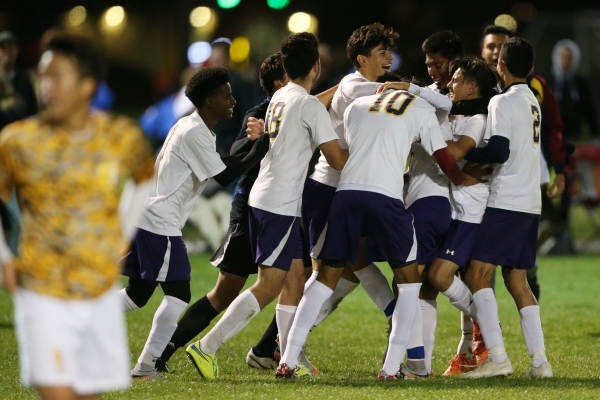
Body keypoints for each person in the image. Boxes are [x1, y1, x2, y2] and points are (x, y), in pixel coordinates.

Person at [277, 75, 479, 379]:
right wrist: (465, 181)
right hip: (385, 198)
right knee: (409, 282)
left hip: (345, 196)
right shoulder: (423, 110)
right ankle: (391, 368)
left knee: (324, 278)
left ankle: (288, 359)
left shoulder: (356, 105)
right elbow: (446, 161)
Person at [0, 32, 156, 400]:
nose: (45, 86)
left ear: (88, 85)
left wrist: (122, 229)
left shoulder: (120, 136)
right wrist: (5, 257)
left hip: (99, 291)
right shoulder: (18, 140)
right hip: (42, 290)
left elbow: (145, 177)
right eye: (42, 75)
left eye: (57, 76)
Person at [184, 32, 347, 380]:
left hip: (266, 197)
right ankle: (206, 347)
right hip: (279, 204)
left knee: (296, 278)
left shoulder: (280, 98)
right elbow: (337, 161)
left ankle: (288, 358)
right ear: (316, 67)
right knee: (268, 285)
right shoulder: (307, 105)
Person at [121, 67, 270, 380]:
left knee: (137, 295)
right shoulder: (195, 131)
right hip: (160, 221)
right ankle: (146, 366)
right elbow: (226, 175)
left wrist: (256, 146)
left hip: (150, 216)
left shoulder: (193, 127)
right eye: (225, 95)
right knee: (178, 294)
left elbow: (224, 165)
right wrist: (265, 143)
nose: (232, 100)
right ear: (207, 101)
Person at [150, 53, 287, 373]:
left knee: (298, 279)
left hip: (280, 210)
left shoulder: (301, 107)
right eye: (226, 96)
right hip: (255, 210)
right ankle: (175, 351)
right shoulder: (259, 113)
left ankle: (276, 352)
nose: (233, 100)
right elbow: (230, 167)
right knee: (237, 289)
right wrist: (259, 141)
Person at [300, 23, 400, 360]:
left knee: (356, 264)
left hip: (349, 189)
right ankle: (285, 345)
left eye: (389, 50)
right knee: (321, 274)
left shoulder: (353, 83)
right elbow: (399, 97)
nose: (389, 57)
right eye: (381, 52)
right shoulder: (358, 87)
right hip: (327, 189)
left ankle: (394, 314)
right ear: (361, 58)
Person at [461, 37, 552, 379]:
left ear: (500, 65)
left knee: (476, 275)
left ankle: (497, 357)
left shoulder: (502, 101)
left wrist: (462, 151)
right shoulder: (532, 101)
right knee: (518, 281)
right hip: (530, 202)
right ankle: (540, 362)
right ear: (530, 69)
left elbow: (498, 151)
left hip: (506, 201)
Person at [423, 56, 499, 375]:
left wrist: (427, 132)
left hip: (472, 209)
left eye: (456, 79)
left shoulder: (478, 118)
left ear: (471, 86)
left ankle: (486, 329)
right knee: (463, 280)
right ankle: (467, 352)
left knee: (440, 277)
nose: (449, 84)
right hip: (455, 204)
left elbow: (453, 154)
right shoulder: (456, 112)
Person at [481, 25, 568, 294]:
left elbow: (554, 127)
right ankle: (482, 329)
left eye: (500, 45)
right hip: (484, 178)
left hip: (521, 176)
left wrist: (559, 169)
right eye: (490, 45)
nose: (495, 50)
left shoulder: (535, 86)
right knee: (484, 262)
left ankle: (525, 297)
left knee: (509, 263)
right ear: (482, 51)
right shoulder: (473, 83)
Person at [548, 39, 599, 141]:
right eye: (563, 57)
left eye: (569, 58)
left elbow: (589, 110)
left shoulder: (580, 83)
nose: (565, 62)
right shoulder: (547, 82)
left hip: (574, 135)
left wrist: (595, 135)